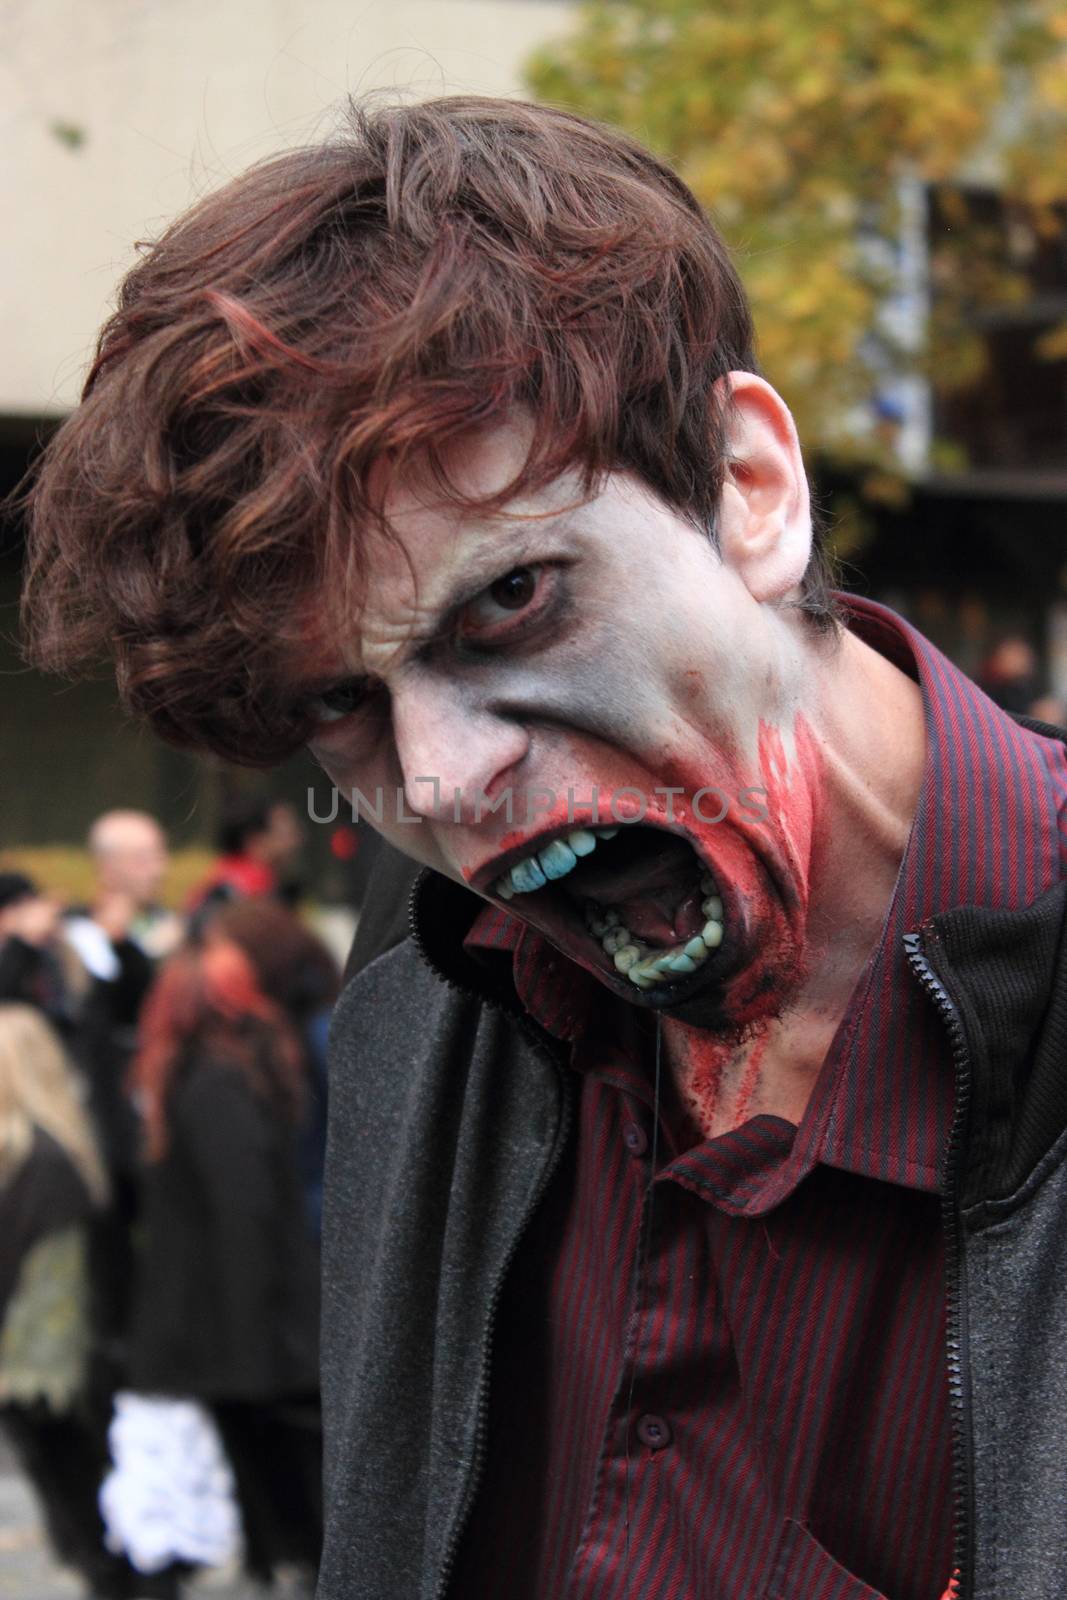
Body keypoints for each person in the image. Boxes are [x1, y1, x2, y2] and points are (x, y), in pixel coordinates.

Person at [18, 95, 1067, 1600]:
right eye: (342, 702)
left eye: (509, 600)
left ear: (747, 490)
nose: (442, 778)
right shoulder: (429, 967)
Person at [123, 940, 322, 1588]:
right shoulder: (238, 1069)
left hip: (244, 1322)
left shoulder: (211, 1080)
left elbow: (244, 1209)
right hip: (250, 1318)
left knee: (276, 1471)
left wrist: (251, 1338)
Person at [0, 1004, 167, 1600]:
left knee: (79, 1506)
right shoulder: (73, 1151)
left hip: (43, 1367)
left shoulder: (34, 1164)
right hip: (72, 1359)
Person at [187, 797, 305, 920]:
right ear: (254, 841)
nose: (297, 840)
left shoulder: (223, 875)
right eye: (285, 834)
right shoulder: (243, 892)